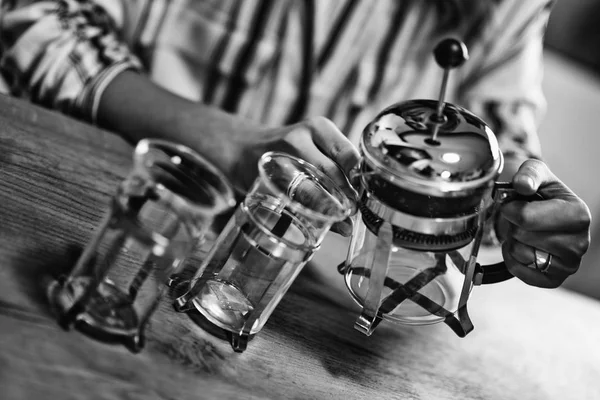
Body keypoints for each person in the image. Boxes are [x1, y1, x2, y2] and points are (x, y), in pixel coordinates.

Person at [0, 0, 591, 290]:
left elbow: (501, 146)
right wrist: (230, 142)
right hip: (87, 227)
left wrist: (522, 203)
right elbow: (34, 21)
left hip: (303, 310)